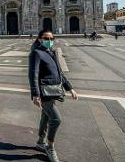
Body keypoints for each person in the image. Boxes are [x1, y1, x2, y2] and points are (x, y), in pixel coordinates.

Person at [28, 30, 78, 162]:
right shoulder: (36, 53)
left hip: (53, 90)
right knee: (56, 119)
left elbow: (60, 73)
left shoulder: (52, 52)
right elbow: (33, 75)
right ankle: (50, 147)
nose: (49, 40)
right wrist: (35, 94)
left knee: (45, 116)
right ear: (39, 39)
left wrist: (70, 88)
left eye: (51, 38)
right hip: (44, 92)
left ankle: (40, 141)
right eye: (46, 38)